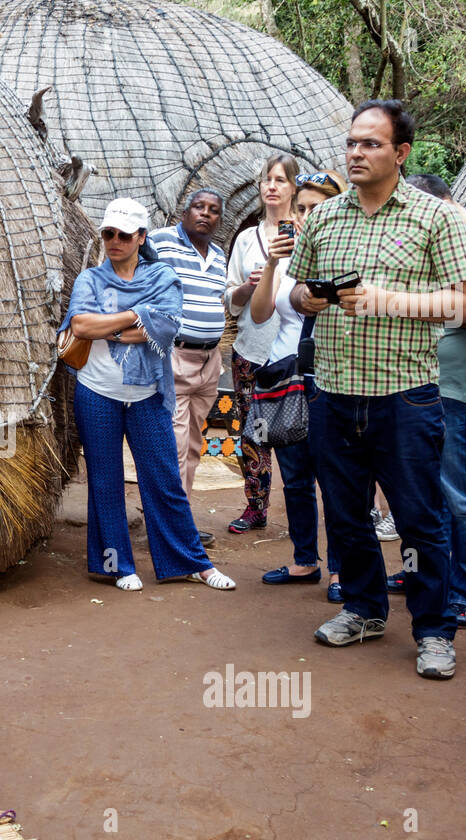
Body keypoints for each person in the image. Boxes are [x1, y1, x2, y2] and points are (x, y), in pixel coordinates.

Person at [286, 100, 466, 679]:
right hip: (334, 393)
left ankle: (434, 630)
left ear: (401, 153)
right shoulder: (323, 218)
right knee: (346, 515)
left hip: (406, 397)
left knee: (420, 520)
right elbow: (297, 294)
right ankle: (365, 609)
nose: (356, 153)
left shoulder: (434, 218)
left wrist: (388, 301)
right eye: (351, 143)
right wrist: (310, 298)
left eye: (370, 144)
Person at [62, 197, 236, 592]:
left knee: (163, 478)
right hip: (97, 391)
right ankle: (117, 565)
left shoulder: (163, 278)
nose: (115, 241)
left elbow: (167, 326)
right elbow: (82, 325)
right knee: (104, 481)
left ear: (141, 237)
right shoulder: (89, 279)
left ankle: (192, 562)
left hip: (148, 392)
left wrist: (122, 323)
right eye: (108, 233)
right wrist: (135, 316)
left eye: (124, 234)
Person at [384, 174, 466, 631]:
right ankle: (422, 575)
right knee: (416, 496)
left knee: (460, 494)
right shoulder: (425, 243)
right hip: (407, 381)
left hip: (455, 390)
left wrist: (420, 305)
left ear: (441, 205)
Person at [249, 169, 346, 601]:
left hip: (336, 379)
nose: (306, 215)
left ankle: (344, 569)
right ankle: (306, 560)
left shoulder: (350, 253)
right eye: (301, 207)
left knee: (341, 480)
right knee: (296, 478)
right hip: (288, 377)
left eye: (317, 207)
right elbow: (257, 314)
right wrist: (272, 261)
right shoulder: (285, 259)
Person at [224, 156, 300, 534]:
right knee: (253, 431)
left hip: (295, 355)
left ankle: (310, 510)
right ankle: (256, 507)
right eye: (267, 180)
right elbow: (231, 298)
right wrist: (248, 286)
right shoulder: (245, 239)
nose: (272, 186)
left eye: (281, 180)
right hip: (251, 350)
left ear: (293, 188)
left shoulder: (307, 235)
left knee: (301, 429)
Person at [151, 191, 227, 543]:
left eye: (213, 211)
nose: (205, 215)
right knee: (176, 444)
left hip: (209, 360)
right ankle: (174, 530)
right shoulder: (161, 240)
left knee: (194, 444)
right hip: (175, 357)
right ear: (185, 211)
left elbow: (221, 300)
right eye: (200, 207)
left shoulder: (219, 255)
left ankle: (179, 520)